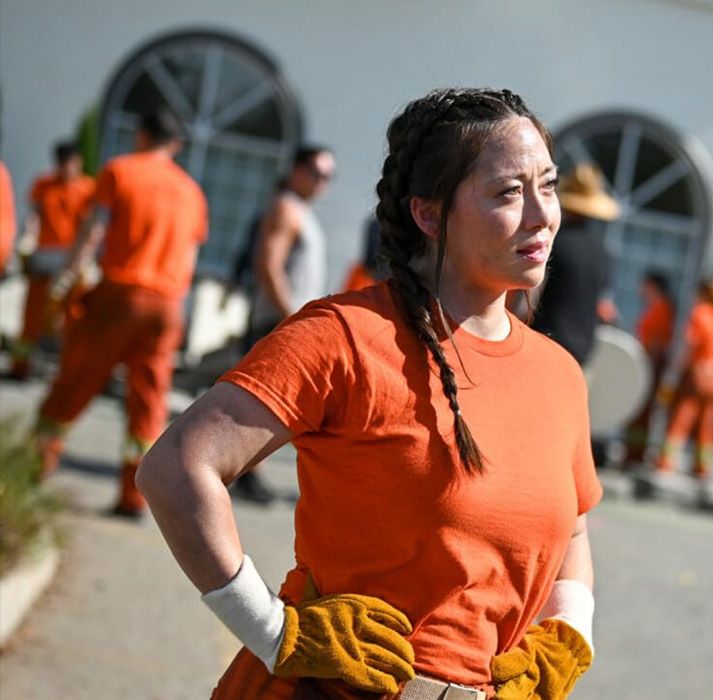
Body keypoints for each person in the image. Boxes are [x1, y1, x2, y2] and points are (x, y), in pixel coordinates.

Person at [137, 88, 600, 700]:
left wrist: (570, 634)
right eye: (508, 193)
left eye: (548, 185)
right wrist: (274, 633)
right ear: (429, 215)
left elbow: (570, 531)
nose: (542, 215)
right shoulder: (346, 336)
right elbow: (176, 469)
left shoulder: (560, 373)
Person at [31, 109, 207, 516]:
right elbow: (189, 259)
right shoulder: (191, 192)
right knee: (148, 401)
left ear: (141, 135)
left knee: (75, 379)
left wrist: (63, 282)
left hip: (121, 295)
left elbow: (92, 231)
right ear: (176, 145)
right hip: (166, 305)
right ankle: (134, 495)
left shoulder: (121, 171)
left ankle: (33, 468)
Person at [231, 145, 335, 505]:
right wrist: (289, 318)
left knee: (275, 407)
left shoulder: (301, 211)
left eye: (328, 177)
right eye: (316, 173)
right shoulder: (285, 208)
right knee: (263, 407)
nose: (322, 183)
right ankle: (241, 474)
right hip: (276, 320)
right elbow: (268, 265)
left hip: (288, 320)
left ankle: (245, 473)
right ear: (296, 170)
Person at [7, 142, 96, 380]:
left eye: (70, 164)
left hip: (71, 260)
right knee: (32, 315)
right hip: (45, 256)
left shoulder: (88, 189)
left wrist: (78, 264)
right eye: (62, 164)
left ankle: (70, 372)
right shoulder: (44, 185)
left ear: (78, 162)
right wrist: (27, 240)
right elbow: (35, 216)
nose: (66, 169)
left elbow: (91, 229)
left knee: (73, 318)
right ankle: (21, 365)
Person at [528, 162, 619, 366]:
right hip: (581, 352)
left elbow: (530, 295)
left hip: (545, 342)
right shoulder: (602, 252)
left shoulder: (553, 243)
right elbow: (604, 308)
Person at [654, 279, 713, 478]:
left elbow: (689, 345)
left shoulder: (701, 313)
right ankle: (703, 467)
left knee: (681, 418)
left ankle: (666, 462)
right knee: (707, 424)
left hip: (697, 375)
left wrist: (674, 371)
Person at [624, 271, 675, 463]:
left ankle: (635, 454)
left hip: (650, 365)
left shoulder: (661, 308)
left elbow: (656, 343)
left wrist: (648, 369)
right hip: (648, 364)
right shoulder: (656, 307)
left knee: (641, 413)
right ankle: (634, 452)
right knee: (640, 413)